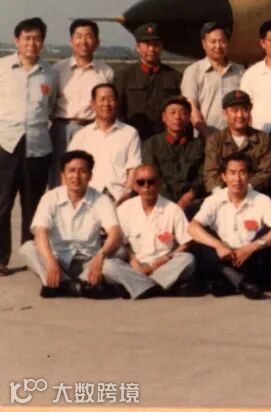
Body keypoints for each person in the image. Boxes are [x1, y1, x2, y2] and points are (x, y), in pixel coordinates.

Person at [21, 150, 157, 299]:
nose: (76, 176)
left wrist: (100, 256)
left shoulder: (101, 200)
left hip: (89, 262)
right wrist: (50, 261)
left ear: (90, 176)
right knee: (27, 249)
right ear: (62, 175)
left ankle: (64, 286)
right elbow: (40, 232)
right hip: (58, 260)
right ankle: (76, 286)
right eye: (71, 171)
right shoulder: (50, 198)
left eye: (82, 171)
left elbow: (115, 233)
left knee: (110, 265)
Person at [1, 17, 57, 276]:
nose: (31, 43)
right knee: (2, 204)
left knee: (33, 207)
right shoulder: (2, 68)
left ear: (42, 42)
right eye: (27, 38)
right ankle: (1, 258)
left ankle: (32, 257)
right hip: (6, 144)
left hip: (38, 146)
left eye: (37, 39)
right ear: (17, 41)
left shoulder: (50, 73)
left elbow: (52, 108)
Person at [188, 153, 271, 300]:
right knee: (201, 238)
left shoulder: (262, 200)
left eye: (242, 172)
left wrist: (251, 248)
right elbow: (193, 228)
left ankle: (230, 283)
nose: (237, 179)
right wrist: (219, 246)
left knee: (269, 233)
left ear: (250, 176)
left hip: (250, 257)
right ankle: (240, 282)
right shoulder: (213, 200)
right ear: (224, 176)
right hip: (222, 258)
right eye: (232, 173)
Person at [116, 164, 198, 295]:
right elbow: (120, 243)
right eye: (141, 182)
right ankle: (154, 286)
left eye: (151, 182)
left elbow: (186, 242)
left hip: (164, 265)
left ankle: (141, 286)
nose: (146, 186)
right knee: (108, 265)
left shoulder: (172, 209)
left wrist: (167, 258)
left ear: (159, 183)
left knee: (188, 259)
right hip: (135, 266)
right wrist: (133, 262)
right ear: (135, 186)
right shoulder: (124, 209)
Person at [50, 19, 113, 185]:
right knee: (60, 179)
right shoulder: (57, 69)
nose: (83, 41)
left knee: (91, 177)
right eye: (78, 36)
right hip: (62, 129)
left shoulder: (106, 72)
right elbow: (50, 102)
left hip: (92, 128)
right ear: (71, 41)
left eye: (89, 36)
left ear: (97, 42)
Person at [69, 83, 141, 202]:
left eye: (111, 99)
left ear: (117, 103)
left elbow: (134, 168)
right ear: (93, 104)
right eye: (102, 99)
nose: (106, 104)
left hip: (119, 196)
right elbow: (69, 168)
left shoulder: (130, 133)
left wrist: (126, 196)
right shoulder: (81, 135)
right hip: (87, 196)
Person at [114, 23, 182, 140]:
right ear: (138, 47)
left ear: (161, 46)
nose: (151, 49)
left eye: (155, 44)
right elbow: (118, 110)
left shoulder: (175, 76)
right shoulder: (124, 76)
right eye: (147, 44)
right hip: (133, 138)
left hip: (164, 139)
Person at [203, 90, 271, 194]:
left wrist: (244, 189)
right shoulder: (215, 140)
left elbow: (267, 172)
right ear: (225, 113)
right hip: (222, 195)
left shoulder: (263, 139)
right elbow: (211, 173)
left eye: (245, 110)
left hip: (255, 194)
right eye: (235, 111)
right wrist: (222, 194)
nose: (240, 115)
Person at [141, 96, 205, 214]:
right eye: (172, 113)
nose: (177, 117)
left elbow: (203, 176)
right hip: (160, 201)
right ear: (164, 117)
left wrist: (188, 197)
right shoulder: (151, 145)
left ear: (189, 118)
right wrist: (172, 205)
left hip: (192, 202)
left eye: (183, 113)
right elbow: (153, 176)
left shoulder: (199, 145)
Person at [180, 21, 244, 138]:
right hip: (205, 138)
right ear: (204, 44)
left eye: (222, 41)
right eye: (213, 42)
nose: (218, 46)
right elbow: (192, 107)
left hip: (236, 138)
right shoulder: (193, 71)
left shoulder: (240, 71)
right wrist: (207, 135)